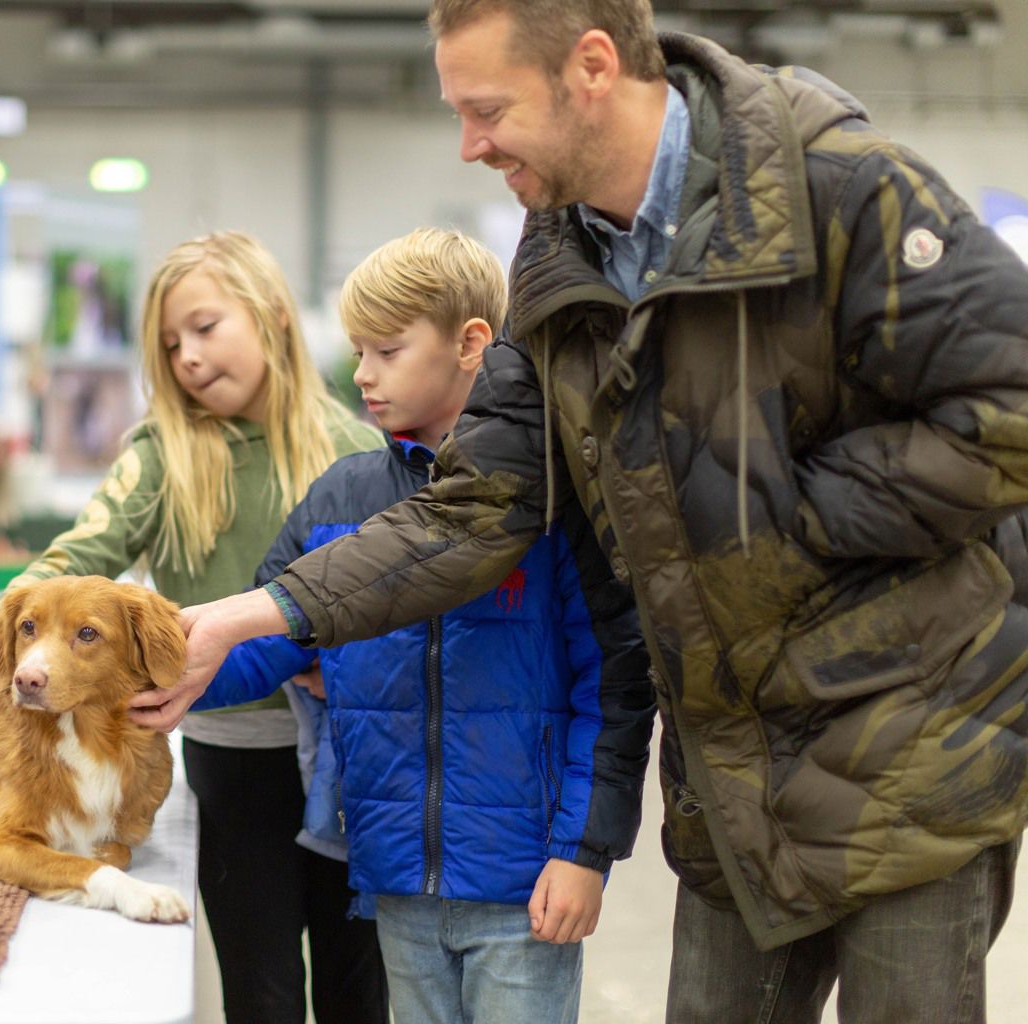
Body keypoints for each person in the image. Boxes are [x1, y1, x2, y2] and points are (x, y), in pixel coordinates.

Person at [129, 3, 1028, 1022]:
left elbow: (1006, 411)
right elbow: (475, 509)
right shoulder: (557, 262)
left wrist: (779, 523)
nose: (469, 145)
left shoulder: (843, 189)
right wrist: (244, 620)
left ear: (591, 68)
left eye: (488, 109)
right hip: (734, 781)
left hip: (913, 753)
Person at [191, 228, 651, 1024]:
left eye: (388, 351)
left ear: (472, 343)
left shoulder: (554, 497)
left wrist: (583, 853)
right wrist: (143, 665)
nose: (362, 375)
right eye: (358, 351)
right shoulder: (343, 496)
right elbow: (262, 640)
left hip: (524, 889)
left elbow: (613, 686)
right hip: (394, 879)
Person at [0, 231, 390, 1024]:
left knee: (359, 984)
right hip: (230, 762)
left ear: (272, 317)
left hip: (355, 758)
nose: (187, 355)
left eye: (205, 326)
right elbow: (70, 561)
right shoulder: (160, 456)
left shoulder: (363, 450)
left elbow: (404, 597)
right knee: (261, 989)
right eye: (169, 343)